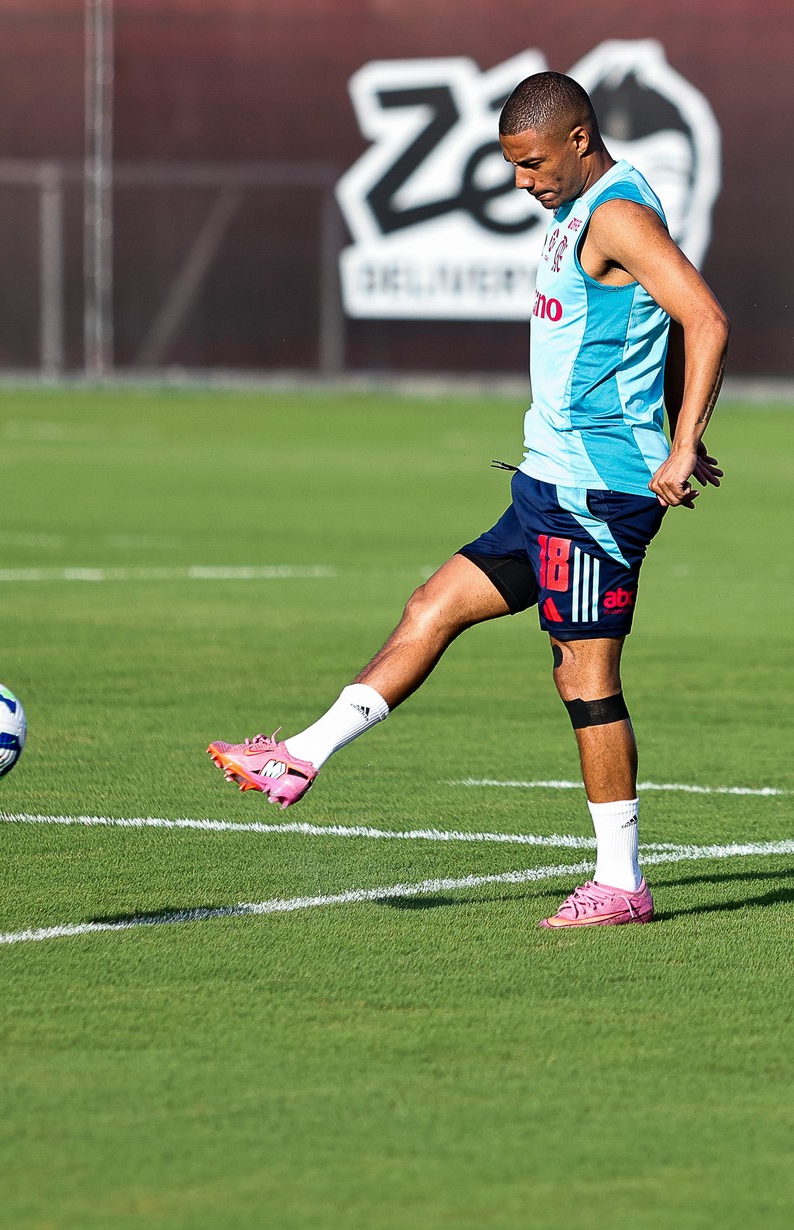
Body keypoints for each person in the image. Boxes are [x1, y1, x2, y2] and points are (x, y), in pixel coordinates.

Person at [208, 71, 730, 928]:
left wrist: (678, 445)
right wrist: (684, 427)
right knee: (433, 606)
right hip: (545, 485)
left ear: (579, 139)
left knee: (585, 679)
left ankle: (621, 883)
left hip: (597, 494)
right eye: (512, 168)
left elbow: (704, 317)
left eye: (531, 164)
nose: (523, 183)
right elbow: (662, 325)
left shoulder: (617, 214)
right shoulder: (578, 207)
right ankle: (297, 758)